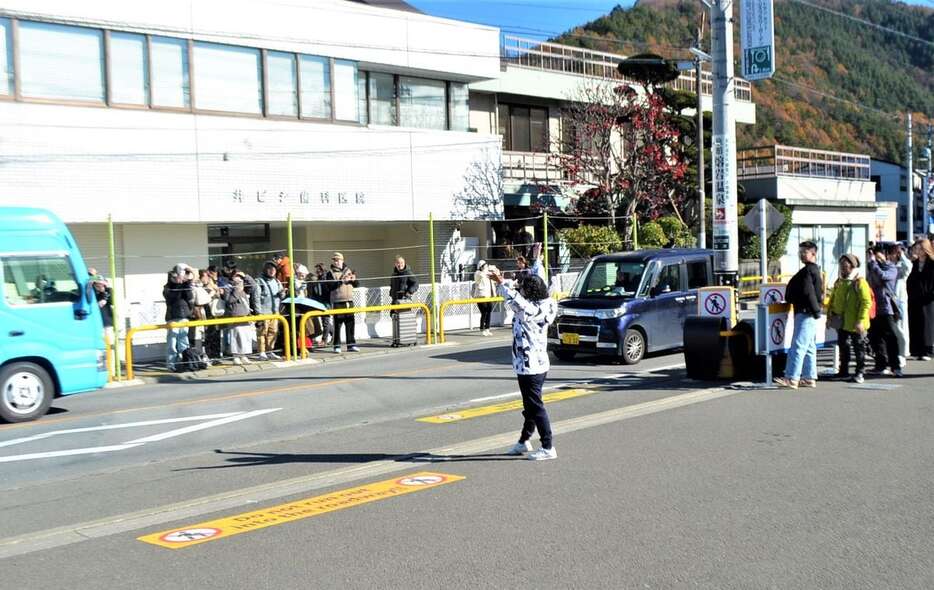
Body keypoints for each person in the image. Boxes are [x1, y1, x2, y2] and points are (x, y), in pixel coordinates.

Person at [488, 269, 559, 460]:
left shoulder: (531, 310)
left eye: (524, 288)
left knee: (535, 406)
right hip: (536, 363)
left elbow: (517, 302)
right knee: (530, 405)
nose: (522, 290)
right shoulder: (549, 304)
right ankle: (524, 440)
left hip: (530, 365)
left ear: (531, 292)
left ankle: (548, 446)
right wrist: (536, 260)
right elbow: (518, 298)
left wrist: (501, 282)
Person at [774, 241, 823, 389]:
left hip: (805, 311)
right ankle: (809, 377)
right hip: (810, 312)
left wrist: (815, 311)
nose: (801, 254)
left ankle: (791, 378)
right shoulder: (814, 270)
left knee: (798, 345)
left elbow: (808, 292)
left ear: (813, 254)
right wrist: (817, 311)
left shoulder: (807, 271)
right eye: (800, 251)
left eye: (805, 252)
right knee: (809, 346)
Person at [828, 254, 872, 383]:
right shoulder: (839, 281)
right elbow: (833, 300)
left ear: (852, 266)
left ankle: (860, 372)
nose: (842, 268)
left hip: (856, 323)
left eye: (845, 265)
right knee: (843, 347)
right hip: (842, 322)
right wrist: (830, 316)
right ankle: (844, 371)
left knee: (859, 348)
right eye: (841, 265)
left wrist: (860, 321)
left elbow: (866, 302)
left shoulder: (860, 282)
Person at [866, 244, 902, 377]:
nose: (876, 256)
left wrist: (874, 263)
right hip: (874, 307)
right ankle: (881, 365)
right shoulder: (871, 268)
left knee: (891, 337)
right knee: (876, 338)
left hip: (887, 308)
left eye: (879, 253)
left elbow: (883, 276)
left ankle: (896, 366)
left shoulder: (891, 267)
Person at [326, 252, 360, 353]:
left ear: (342, 260)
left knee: (350, 323)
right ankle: (337, 346)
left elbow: (357, 285)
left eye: (338, 260)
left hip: (349, 301)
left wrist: (353, 280)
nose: (336, 262)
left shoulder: (348, 270)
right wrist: (341, 281)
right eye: (334, 260)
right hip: (338, 301)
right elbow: (330, 287)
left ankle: (351, 345)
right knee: (338, 324)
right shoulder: (330, 273)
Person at [163, 263, 194, 372]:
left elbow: (190, 297)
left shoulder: (185, 285)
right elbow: (171, 298)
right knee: (172, 342)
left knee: (184, 341)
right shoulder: (167, 287)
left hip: (184, 316)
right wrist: (179, 284)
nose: (180, 278)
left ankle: (186, 363)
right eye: (176, 276)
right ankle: (171, 364)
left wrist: (187, 282)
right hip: (172, 317)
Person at [907, 238, 934, 360]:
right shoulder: (914, 264)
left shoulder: (932, 263)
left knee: (927, 325)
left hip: (928, 300)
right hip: (915, 299)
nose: (917, 250)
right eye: (916, 248)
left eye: (920, 248)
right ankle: (917, 350)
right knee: (916, 323)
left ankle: (927, 350)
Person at [889, 243, 912, 367]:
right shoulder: (889, 265)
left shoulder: (901, 266)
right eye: (893, 251)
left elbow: (909, 266)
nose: (893, 254)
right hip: (889, 301)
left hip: (899, 301)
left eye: (895, 252)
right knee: (892, 329)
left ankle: (902, 354)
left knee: (901, 328)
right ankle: (894, 354)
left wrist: (902, 254)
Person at [255, 261, 283, 360]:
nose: (272, 271)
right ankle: (262, 352)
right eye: (269, 269)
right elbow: (256, 297)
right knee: (262, 332)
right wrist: (258, 312)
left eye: (274, 269)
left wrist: (282, 294)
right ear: (265, 270)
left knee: (273, 332)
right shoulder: (259, 281)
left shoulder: (277, 281)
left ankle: (270, 350)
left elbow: (281, 295)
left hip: (275, 312)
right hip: (263, 312)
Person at [224, 275, 254, 365]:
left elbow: (253, 285)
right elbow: (229, 300)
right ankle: (235, 357)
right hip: (235, 317)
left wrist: (246, 277)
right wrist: (237, 289)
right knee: (235, 337)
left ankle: (243, 356)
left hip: (245, 316)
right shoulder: (228, 288)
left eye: (240, 280)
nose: (239, 282)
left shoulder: (244, 288)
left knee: (245, 338)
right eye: (236, 280)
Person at [309, 263, 333, 346]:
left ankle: (324, 340)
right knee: (325, 322)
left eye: (319, 270)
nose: (317, 272)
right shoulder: (318, 280)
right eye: (316, 270)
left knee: (325, 322)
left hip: (326, 303)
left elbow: (327, 291)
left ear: (322, 269)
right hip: (320, 303)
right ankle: (334, 334)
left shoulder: (326, 278)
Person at [472, 260, 497, 336]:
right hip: (481, 296)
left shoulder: (488, 274)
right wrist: (489, 271)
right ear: (481, 266)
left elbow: (494, 275)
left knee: (489, 311)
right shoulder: (478, 273)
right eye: (484, 265)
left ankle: (487, 328)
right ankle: (482, 328)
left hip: (488, 296)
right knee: (484, 312)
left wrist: (492, 271)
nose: (486, 266)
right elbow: (480, 276)